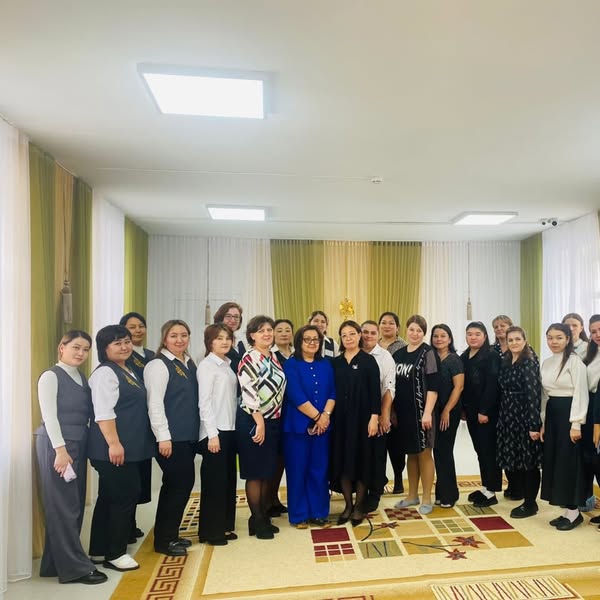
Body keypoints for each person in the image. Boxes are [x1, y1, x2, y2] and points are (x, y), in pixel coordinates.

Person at [34, 330, 107, 585]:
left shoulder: (80, 376)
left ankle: (54, 564)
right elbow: (49, 417)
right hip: (58, 446)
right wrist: (60, 451)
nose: (81, 353)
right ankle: (76, 569)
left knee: (71, 505)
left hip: (77, 444)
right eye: (76, 347)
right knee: (64, 507)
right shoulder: (50, 376)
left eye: (85, 349)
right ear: (61, 347)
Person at [88, 325, 155, 572]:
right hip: (111, 449)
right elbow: (103, 413)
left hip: (125, 447)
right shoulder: (106, 373)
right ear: (104, 348)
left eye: (126, 341)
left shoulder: (126, 369)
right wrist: (114, 444)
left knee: (109, 496)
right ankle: (115, 553)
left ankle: (99, 550)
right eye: (117, 343)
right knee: (126, 494)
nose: (125, 347)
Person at [144, 320, 199, 556]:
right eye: (173, 335)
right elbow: (154, 403)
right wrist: (163, 437)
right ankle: (164, 541)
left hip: (186, 436)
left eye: (184, 335)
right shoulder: (158, 365)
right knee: (178, 485)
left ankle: (170, 534)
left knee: (179, 486)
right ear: (164, 338)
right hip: (170, 438)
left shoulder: (188, 362)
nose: (179, 340)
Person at [236, 315, 286, 539]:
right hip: (253, 421)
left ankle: (262, 517)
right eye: (261, 330)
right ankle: (257, 519)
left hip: (273, 420)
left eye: (269, 330)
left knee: (267, 471)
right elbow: (249, 394)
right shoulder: (249, 358)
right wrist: (260, 423)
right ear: (252, 335)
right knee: (256, 473)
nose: (267, 334)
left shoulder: (273, 356)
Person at [282, 325, 336, 528]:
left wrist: (325, 417)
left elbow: (332, 392)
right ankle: (299, 515)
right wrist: (317, 417)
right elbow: (295, 395)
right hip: (296, 427)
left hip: (323, 427)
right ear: (299, 342)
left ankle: (319, 513)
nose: (312, 343)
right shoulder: (291, 364)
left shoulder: (326, 364)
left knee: (319, 470)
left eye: (316, 339)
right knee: (298, 470)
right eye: (307, 339)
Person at [330, 320, 381, 526]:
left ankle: (359, 507)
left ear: (359, 335)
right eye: (344, 335)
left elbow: (375, 392)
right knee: (342, 461)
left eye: (352, 334)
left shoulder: (369, 361)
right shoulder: (335, 363)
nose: (348, 338)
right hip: (340, 421)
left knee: (361, 462)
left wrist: (374, 417)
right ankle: (348, 506)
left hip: (363, 421)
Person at [540, 323, 588, 530]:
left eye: (559, 337)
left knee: (569, 462)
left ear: (568, 339)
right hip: (552, 415)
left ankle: (574, 512)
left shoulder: (575, 362)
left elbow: (580, 393)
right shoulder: (547, 362)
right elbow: (544, 396)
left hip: (569, 415)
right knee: (555, 461)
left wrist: (576, 424)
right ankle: (566, 511)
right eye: (550, 337)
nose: (554, 342)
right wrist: (543, 423)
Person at [392, 315, 440, 515]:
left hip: (422, 413)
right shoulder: (399, 354)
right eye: (412, 329)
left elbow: (434, 387)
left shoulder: (428, 353)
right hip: (403, 413)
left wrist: (427, 413)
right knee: (410, 453)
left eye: (419, 330)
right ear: (406, 330)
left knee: (424, 454)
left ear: (424, 333)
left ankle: (427, 497)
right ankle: (412, 495)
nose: (415, 333)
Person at [197, 324, 239, 545]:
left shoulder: (226, 365)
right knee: (214, 484)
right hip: (215, 432)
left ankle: (223, 526)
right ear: (209, 342)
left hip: (229, 429)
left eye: (228, 338)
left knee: (227, 481)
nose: (224, 342)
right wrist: (212, 434)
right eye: (219, 338)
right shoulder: (207, 366)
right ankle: (211, 532)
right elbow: (204, 403)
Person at [497, 327, 542, 519]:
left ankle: (531, 503)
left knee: (528, 460)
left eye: (517, 339)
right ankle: (519, 492)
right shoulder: (506, 360)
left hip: (524, 415)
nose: (514, 343)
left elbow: (533, 394)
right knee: (513, 456)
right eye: (510, 340)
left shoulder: (528, 362)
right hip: (508, 415)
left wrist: (533, 425)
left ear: (524, 340)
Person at [119, 311, 154, 543]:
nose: (138, 330)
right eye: (132, 327)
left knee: (140, 477)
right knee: (127, 478)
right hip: (130, 421)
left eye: (141, 326)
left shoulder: (151, 355)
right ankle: (125, 526)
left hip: (147, 422)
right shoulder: (124, 356)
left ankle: (131, 523)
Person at [461, 321, 502, 507]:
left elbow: (492, 385)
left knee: (488, 451)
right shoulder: (464, 356)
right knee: (480, 450)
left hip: (486, 413)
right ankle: (485, 487)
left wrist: (484, 411)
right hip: (471, 412)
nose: (473, 337)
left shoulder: (491, 355)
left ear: (485, 336)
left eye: (477, 334)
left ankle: (492, 492)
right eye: (470, 334)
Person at [360, 320, 394, 512]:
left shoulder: (385, 356)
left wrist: (384, 414)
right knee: (362, 454)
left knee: (377, 454)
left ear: (378, 335)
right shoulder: (353, 353)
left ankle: (375, 493)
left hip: (378, 411)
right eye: (365, 332)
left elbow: (389, 388)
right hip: (357, 414)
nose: (368, 336)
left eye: (373, 333)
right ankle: (361, 491)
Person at [430, 324, 464, 509]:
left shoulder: (454, 360)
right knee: (438, 451)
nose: (439, 339)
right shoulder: (431, 357)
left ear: (450, 339)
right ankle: (441, 492)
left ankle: (450, 494)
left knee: (444, 451)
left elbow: (459, 387)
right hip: (434, 411)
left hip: (449, 411)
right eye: (436, 336)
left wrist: (446, 410)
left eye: (443, 336)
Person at [378, 311, 407, 493]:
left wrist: (393, 410)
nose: (387, 326)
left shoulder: (404, 347)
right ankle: (379, 480)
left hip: (398, 402)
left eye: (391, 323)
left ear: (397, 327)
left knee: (396, 445)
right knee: (379, 445)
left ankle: (398, 479)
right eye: (383, 322)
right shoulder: (372, 345)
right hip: (377, 401)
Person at [583, 315, 600, 529]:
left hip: (598, 413)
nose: (597, 335)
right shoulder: (592, 353)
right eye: (593, 331)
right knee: (594, 461)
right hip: (591, 408)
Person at [214, 302, 245, 375]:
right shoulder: (214, 342)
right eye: (228, 316)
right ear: (220, 318)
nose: (233, 320)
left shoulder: (240, 342)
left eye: (236, 317)